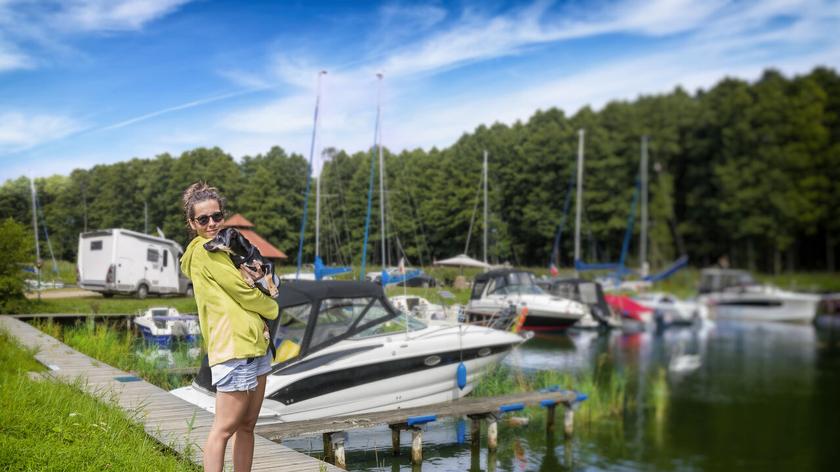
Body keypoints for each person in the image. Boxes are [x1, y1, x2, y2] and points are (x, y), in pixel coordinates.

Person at [179, 182, 278, 472]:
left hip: (255, 345)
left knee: (247, 427)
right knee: (224, 429)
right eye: (203, 219)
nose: (211, 224)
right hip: (234, 348)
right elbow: (243, 292)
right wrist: (272, 308)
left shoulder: (226, 249)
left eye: (217, 217)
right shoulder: (204, 253)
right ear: (192, 223)